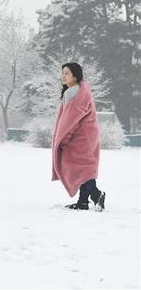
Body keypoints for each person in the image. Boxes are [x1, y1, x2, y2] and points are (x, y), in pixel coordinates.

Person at [52, 62, 106, 211]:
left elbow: (71, 121)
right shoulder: (82, 90)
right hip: (88, 135)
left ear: (75, 75)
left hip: (80, 136)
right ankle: (83, 202)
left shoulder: (72, 93)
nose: (63, 76)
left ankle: (96, 194)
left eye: (66, 73)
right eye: (62, 73)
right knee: (84, 166)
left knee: (81, 168)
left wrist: (65, 139)